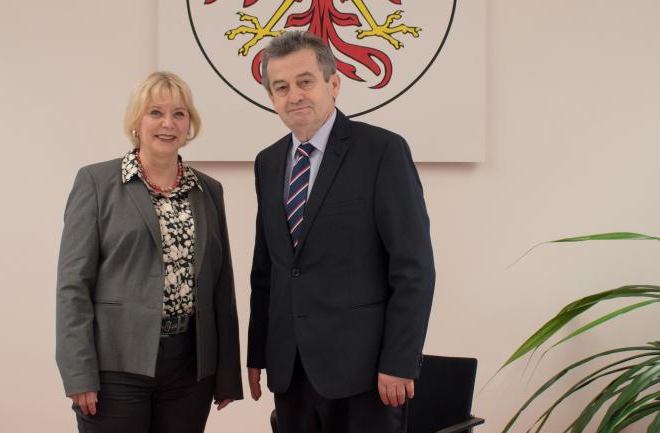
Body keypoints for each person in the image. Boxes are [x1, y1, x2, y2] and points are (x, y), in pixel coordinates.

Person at [247, 31, 435, 433]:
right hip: (291, 370)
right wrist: (257, 352)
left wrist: (400, 361)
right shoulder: (268, 162)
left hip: (366, 375)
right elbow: (268, 269)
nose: (294, 95)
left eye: (305, 81)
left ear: (333, 84)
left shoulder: (382, 151)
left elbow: (413, 267)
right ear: (271, 98)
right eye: (281, 87)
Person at [56, 71, 243, 433]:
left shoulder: (208, 191)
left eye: (179, 114)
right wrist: (79, 373)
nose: (168, 124)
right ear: (136, 122)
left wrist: (226, 374)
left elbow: (222, 285)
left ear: (190, 125)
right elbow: (72, 286)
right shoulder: (97, 183)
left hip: (190, 368)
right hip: (116, 365)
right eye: (156, 112)